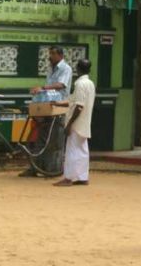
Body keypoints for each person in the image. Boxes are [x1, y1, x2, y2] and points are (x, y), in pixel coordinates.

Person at [20, 46, 73, 177]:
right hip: (47, 106)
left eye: (53, 54)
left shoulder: (66, 68)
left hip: (58, 107)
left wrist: (42, 88)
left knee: (54, 140)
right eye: (50, 54)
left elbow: (61, 85)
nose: (50, 57)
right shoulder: (51, 68)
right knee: (41, 138)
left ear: (60, 55)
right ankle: (35, 168)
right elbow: (48, 90)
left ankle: (52, 170)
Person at [54, 58, 96, 187]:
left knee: (72, 150)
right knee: (82, 150)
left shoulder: (80, 84)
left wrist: (69, 124)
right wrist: (58, 103)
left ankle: (68, 178)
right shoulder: (90, 83)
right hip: (85, 122)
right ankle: (83, 177)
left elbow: (79, 106)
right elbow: (74, 101)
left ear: (78, 69)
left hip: (77, 123)